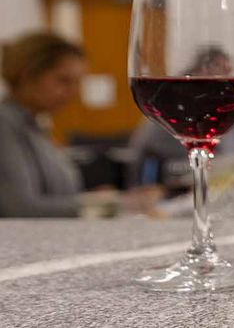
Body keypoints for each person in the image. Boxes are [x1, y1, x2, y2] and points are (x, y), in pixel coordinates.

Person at [0, 32, 158, 217]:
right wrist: (111, 204)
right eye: (63, 80)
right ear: (27, 75)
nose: (73, 92)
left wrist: (97, 198)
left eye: (77, 83)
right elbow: (20, 207)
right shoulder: (6, 124)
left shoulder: (35, 126)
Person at [128, 46, 234, 191]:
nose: (227, 80)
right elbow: (169, 170)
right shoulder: (174, 109)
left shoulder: (227, 112)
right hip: (170, 200)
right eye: (221, 71)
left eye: (229, 72)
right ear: (199, 69)